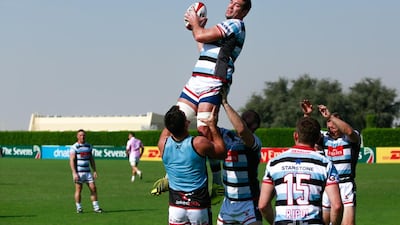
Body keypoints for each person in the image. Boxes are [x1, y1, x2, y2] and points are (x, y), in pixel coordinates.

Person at [177, 0, 252, 138]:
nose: (230, 6)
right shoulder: (225, 28)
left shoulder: (235, 24)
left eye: (237, 5)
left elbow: (200, 35)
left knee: (205, 130)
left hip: (213, 81)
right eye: (231, 2)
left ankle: (216, 159)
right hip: (196, 80)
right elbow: (203, 48)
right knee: (176, 124)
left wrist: (195, 24)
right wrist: (197, 27)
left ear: (244, 12)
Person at [258, 116, 342, 225]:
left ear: (295, 135)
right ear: (317, 138)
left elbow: (263, 205)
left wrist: (275, 222)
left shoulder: (275, 162)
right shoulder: (325, 164)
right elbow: (337, 205)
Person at [158, 105, 226, 224]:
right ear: (186, 124)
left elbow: (168, 126)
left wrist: (177, 110)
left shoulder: (162, 143)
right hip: (198, 206)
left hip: (176, 207)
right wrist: (212, 126)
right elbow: (222, 152)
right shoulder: (199, 143)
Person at [216, 89, 263, 225]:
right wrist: (213, 100)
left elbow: (242, 130)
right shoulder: (227, 136)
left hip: (249, 203)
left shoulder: (254, 142)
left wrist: (225, 103)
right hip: (228, 203)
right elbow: (209, 127)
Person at [318, 105, 361, 225]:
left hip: (346, 184)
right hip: (328, 185)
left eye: (334, 127)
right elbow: (307, 132)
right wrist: (307, 115)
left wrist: (330, 116)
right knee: (323, 222)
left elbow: (349, 131)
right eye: (329, 127)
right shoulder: (324, 138)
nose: (331, 130)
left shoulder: (350, 138)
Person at [69, 129, 102, 213]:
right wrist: (74, 173)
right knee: (79, 189)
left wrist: (94, 170)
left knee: (93, 188)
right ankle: (79, 208)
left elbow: (91, 159)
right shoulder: (74, 147)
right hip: (79, 173)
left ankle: (96, 207)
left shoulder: (88, 146)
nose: (82, 136)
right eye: (80, 135)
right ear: (77, 136)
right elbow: (72, 160)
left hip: (87, 172)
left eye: (83, 135)